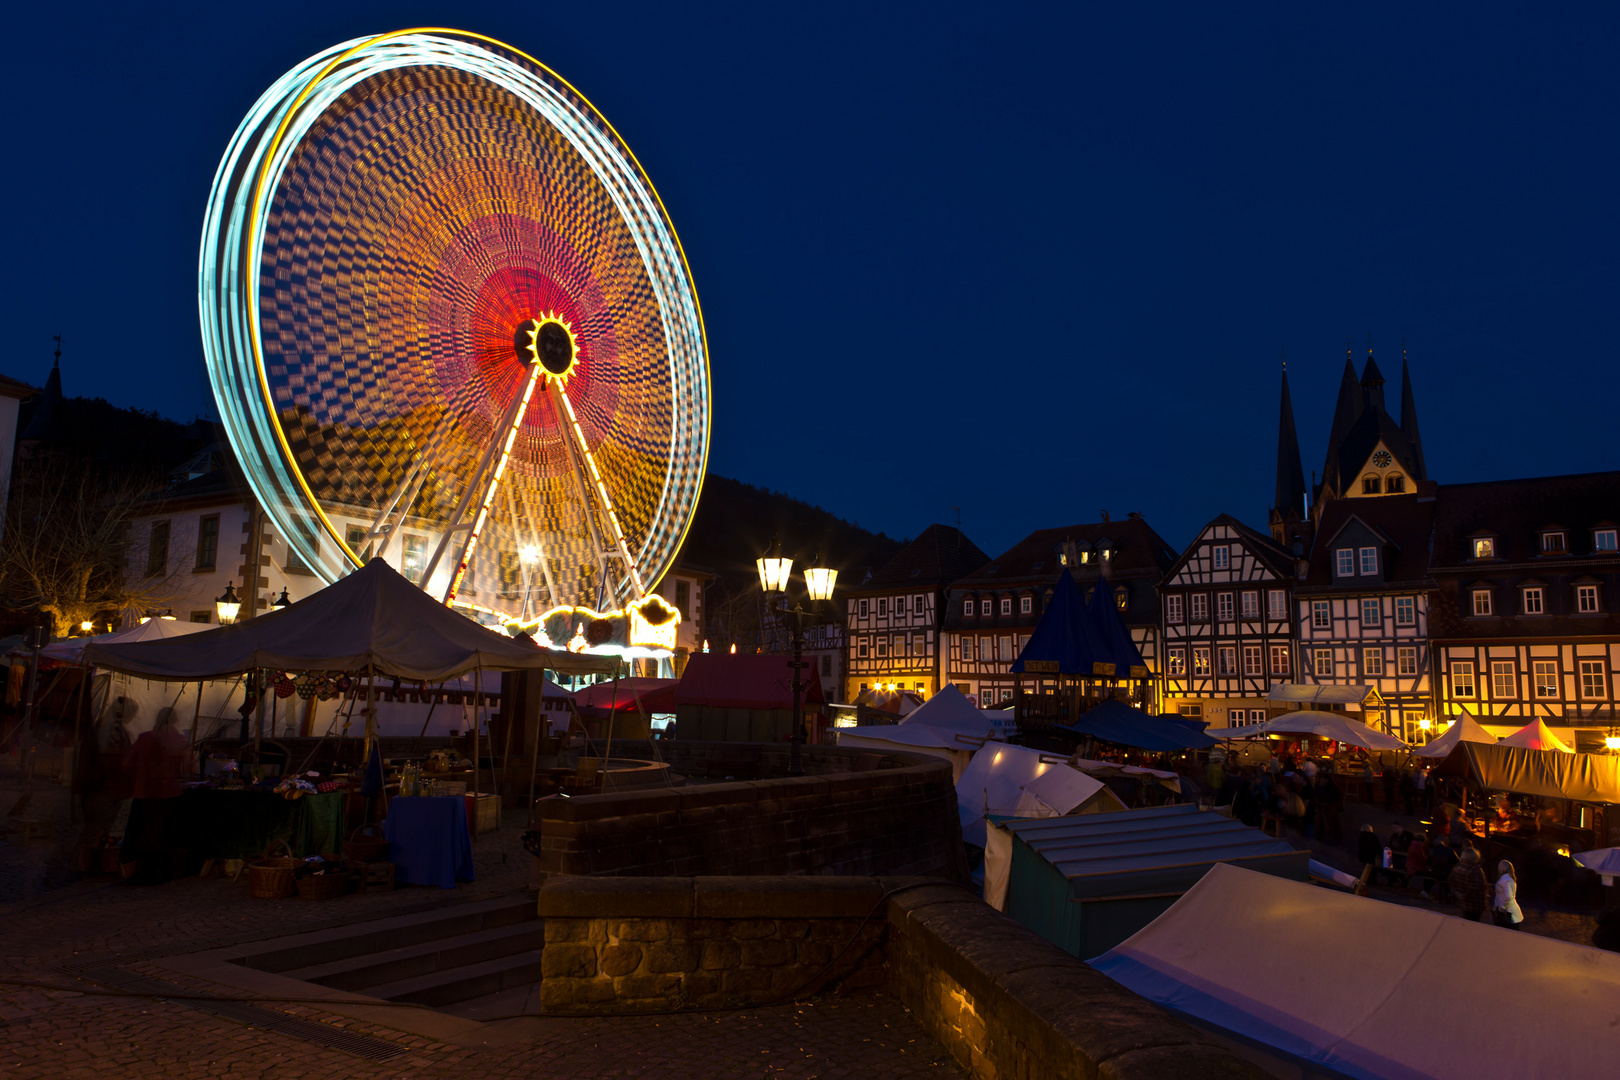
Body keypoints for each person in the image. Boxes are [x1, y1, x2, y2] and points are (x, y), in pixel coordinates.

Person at [1450, 847, 1489, 922]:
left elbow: (1451, 880)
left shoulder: (1458, 867)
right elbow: (1476, 887)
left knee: (1466, 919)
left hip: (1463, 902)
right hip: (1475, 903)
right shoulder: (1475, 870)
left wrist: (1457, 892)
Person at [1494, 860, 1525, 929]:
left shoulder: (1505, 880)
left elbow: (1508, 896)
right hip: (1510, 913)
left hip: (1508, 913)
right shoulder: (1509, 879)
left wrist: (1501, 907)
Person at [1429, 836, 1458, 904]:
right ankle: (1449, 894)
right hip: (1447, 873)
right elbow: (1457, 861)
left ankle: (1446, 894)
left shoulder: (1432, 850)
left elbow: (1429, 861)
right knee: (1446, 878)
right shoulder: (1450, 851)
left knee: (1441, 877)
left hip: (1435, 872)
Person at [1406, 833, 1431, 899]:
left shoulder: (1412, 846)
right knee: (1429, 875)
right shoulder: (1418, 848)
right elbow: (1422, 859)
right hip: (1416, 868)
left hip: (1410, 867)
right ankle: (1426, 890)